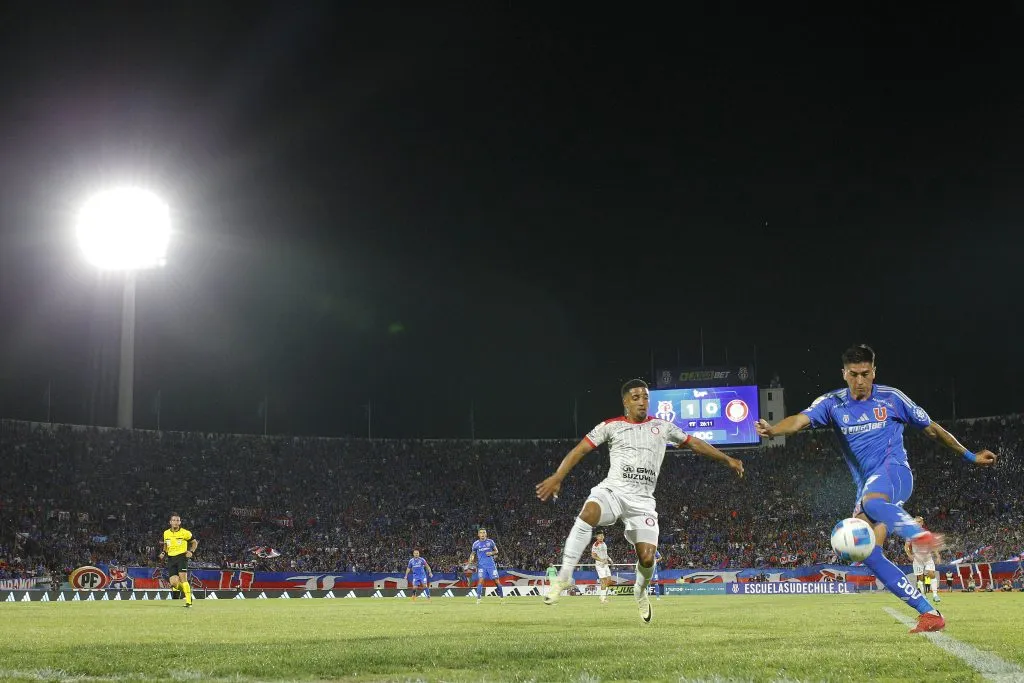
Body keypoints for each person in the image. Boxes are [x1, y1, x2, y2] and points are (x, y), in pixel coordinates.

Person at [756, 344, 996, 633]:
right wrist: (774, 430)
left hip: (895, 475)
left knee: (871, 501)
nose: (860, 381)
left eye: (866, 374)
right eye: (854, 374)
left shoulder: (892, 399)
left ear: (874, 372)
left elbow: (932, 429)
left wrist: (970, 455)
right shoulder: (832, 404)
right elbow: (799, 420)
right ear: (844, 373)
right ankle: (929, 613)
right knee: (868, 552)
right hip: (868, 489)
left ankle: (918, 535)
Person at [536, 378, 744, 624]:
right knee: (588, 513)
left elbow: (694, 443)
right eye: (636, 397)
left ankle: (640, 591)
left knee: (647, 558)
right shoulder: (610, 426)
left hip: (643, 502)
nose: (642, 402)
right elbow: (580, 449)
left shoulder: (662, 427)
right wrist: (558, 476)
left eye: (645, 397)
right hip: (613, 491)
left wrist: (727, 459)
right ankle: (565, 576)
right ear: (625, 401)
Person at [159, 513, 197, 608]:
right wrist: (164, 552)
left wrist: (191, 551)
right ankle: (187, 592)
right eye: (174, 520)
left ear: (180, 522)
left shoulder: (185, 533)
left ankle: (188, 601)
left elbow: (194, 542)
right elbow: (166, 544)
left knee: (183, 578)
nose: (176, 522)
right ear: (170, 522)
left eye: (177, 520)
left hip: (181, 557)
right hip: (171, 558)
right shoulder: (166, 533)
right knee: (174, 583)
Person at [903, 517, 940, 602]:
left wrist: (937, 555)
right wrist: (909, 554)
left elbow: (933, 545)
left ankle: (935, 595)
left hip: (928, 558)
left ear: (922, 523)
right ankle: (923, 595)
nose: (917, 524)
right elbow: (906, 547)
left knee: (931, 574)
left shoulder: (927, 533)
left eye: (919, 522)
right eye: (916, 522)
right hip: (917, 559)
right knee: (920, 578)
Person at [467, 528, 503, 603]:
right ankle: (478, 599)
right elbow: (473, 554)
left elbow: (496, 551)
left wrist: (491, 553)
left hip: (491, 565)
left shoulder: (490, 542)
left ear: (486, 534)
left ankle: (501, 598)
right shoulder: (475, 544)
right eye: (481, 533)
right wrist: (470, 560)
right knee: (480, 581)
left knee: (497, 581)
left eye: (484, 532)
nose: (482, 534)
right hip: (481, 566)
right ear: (478, 535)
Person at [591, 531, 613, 603]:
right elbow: (593, 556)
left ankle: (601, 595)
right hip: (600, 565)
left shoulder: (604, 543)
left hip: (606, 564)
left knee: (609, 581)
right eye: (599, 536)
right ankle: (603, 598)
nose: (601, 537)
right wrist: (601, 560)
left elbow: (605, 554)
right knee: (603, 581)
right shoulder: (595, 545)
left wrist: (610, 559)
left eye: (602, 536)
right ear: (597, 537)